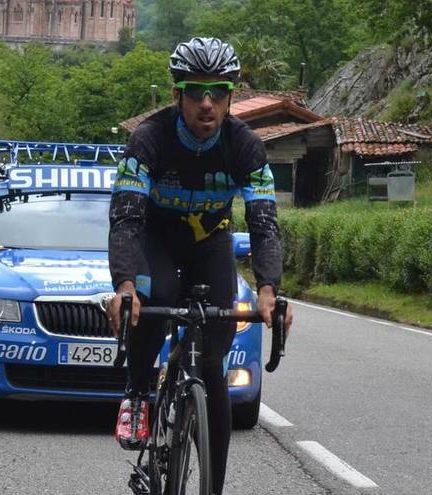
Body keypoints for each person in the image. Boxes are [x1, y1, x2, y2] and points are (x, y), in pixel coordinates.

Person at [106, 37, 294, 495]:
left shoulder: (245, 147)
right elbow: (127, 218)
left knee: (212, 368)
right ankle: (137, 390)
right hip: (157, 240)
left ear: (231, 95)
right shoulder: (148, 139)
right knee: (157, 299)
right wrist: (125, 284)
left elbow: (265, 224)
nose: (206, 103)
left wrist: (269, 288)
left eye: (218, 92)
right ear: (177, 95)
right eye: (195, 91)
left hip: (211, 244)